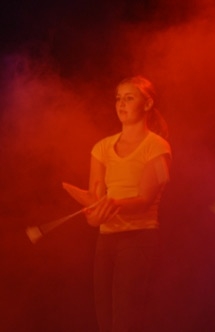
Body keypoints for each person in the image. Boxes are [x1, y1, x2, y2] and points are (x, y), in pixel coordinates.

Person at [62, 75, 172, 332]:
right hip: (106, 240)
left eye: (129, 98)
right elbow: (95, 203)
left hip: (139, 238)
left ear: (147, 104)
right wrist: (93, 214)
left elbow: (145, 200)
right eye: (118, 98)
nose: (121, 104)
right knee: (105, 320)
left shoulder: (157, 147)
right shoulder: (101, 148)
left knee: (126, 321)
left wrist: (112, 205)